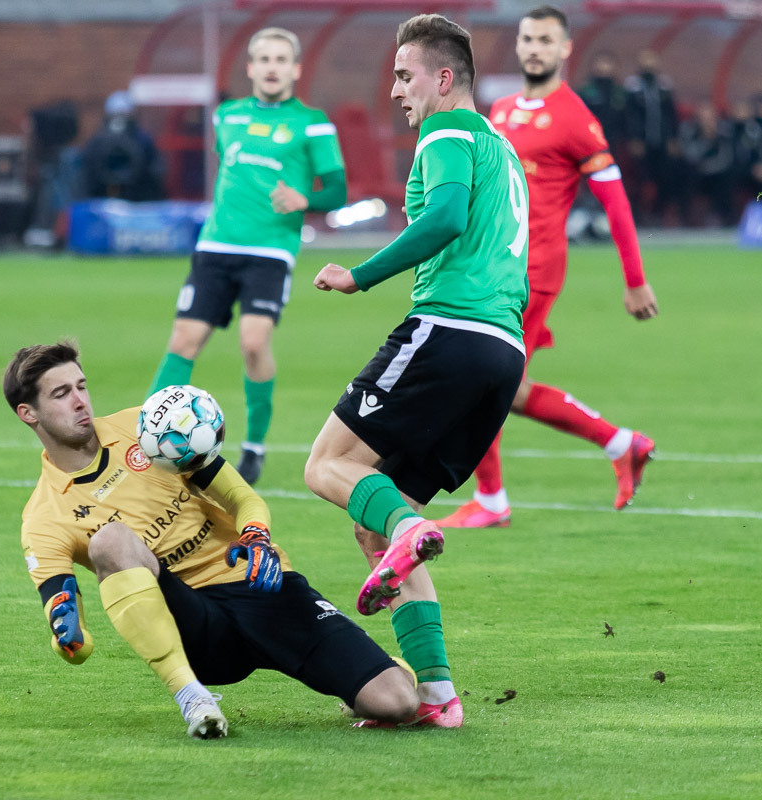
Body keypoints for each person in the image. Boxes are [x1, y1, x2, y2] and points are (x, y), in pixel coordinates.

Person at [4, 341, 416, 739]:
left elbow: (242, 498)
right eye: (61, 394)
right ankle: (191, 697)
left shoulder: (147, 428)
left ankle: (370, 676)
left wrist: (256, 534)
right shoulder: (43, 519)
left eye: (81, 386)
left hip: (260, 586)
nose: (79, 401)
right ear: (29, 413)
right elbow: (73, 643)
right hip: (195, 624)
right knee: (109, 541)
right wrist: (68, 638)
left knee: (399, 703)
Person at [303, 13, 530, 729]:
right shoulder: (502, 146)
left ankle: (407, 527)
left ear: (442, 77)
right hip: (502, 350)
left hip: (449, 330)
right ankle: (438, 697)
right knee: (374, 519)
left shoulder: (448, 131)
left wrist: (361, 275)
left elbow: (447, 218)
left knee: (325, 466)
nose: (396, 91)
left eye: (404, 76)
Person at [437, 6, 658, 530]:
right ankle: (621, 443)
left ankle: (491, 500)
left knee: (481, 381)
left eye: (545, 40)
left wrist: (635, 280)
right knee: (506, 388)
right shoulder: (503, 108)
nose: (534, 47)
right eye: (527, 38)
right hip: (491, 264)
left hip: (532, 271)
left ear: (565, 50)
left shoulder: (575, 117)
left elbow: (616, 201)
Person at [147, 27, 348, 485]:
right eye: (264, 59)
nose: (272, 67)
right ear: (251, 68)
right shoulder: (228, 116)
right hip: (216, 246)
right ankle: (148, 437)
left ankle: (254, 446)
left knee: (254, 343)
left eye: (282, 59)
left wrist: (305, 200)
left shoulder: (312, 123)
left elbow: (337, 189)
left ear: (295, 70)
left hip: (270, 251)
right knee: (183, 341)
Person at [624, 49, 680, 224]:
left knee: (665, 177)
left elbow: (671, 114)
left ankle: (660, 213)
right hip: (642, 141)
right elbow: (630, 115)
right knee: (641, 179)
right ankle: (640, 214)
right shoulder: (633, 86)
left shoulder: (664, 86)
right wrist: (634, 138)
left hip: (662, 141)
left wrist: (672, 138)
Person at [81, 90, 165, 202]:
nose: (119, 120)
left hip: (138, 200)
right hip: (102, 200)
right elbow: (87, 175)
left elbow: (155, 173)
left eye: (124, 115)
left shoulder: (143, 141)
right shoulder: (96, 143)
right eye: (115, 115)